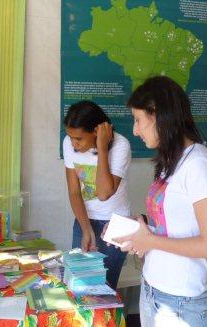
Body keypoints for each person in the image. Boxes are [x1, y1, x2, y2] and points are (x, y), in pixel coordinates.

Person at [114, 76, 207, 327]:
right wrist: (140, 229)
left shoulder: (198, 164)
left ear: (158, 116)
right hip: (153, 289)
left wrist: (150, 240)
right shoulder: (170, 161)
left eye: (138, 120)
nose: (135, 130)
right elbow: (173, 226)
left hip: (181, 303)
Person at [63, 100, 131, 289]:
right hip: (84, 219)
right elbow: (74, 192)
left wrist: (102, 148)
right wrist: (86, 228)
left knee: (104, 291)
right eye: (70, 137)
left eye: (79, 139)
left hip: (115, 224)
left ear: (96, 131)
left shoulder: (120, 145)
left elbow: (103, 193)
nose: (73, 144)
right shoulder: (69, 144)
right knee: (78, 285)